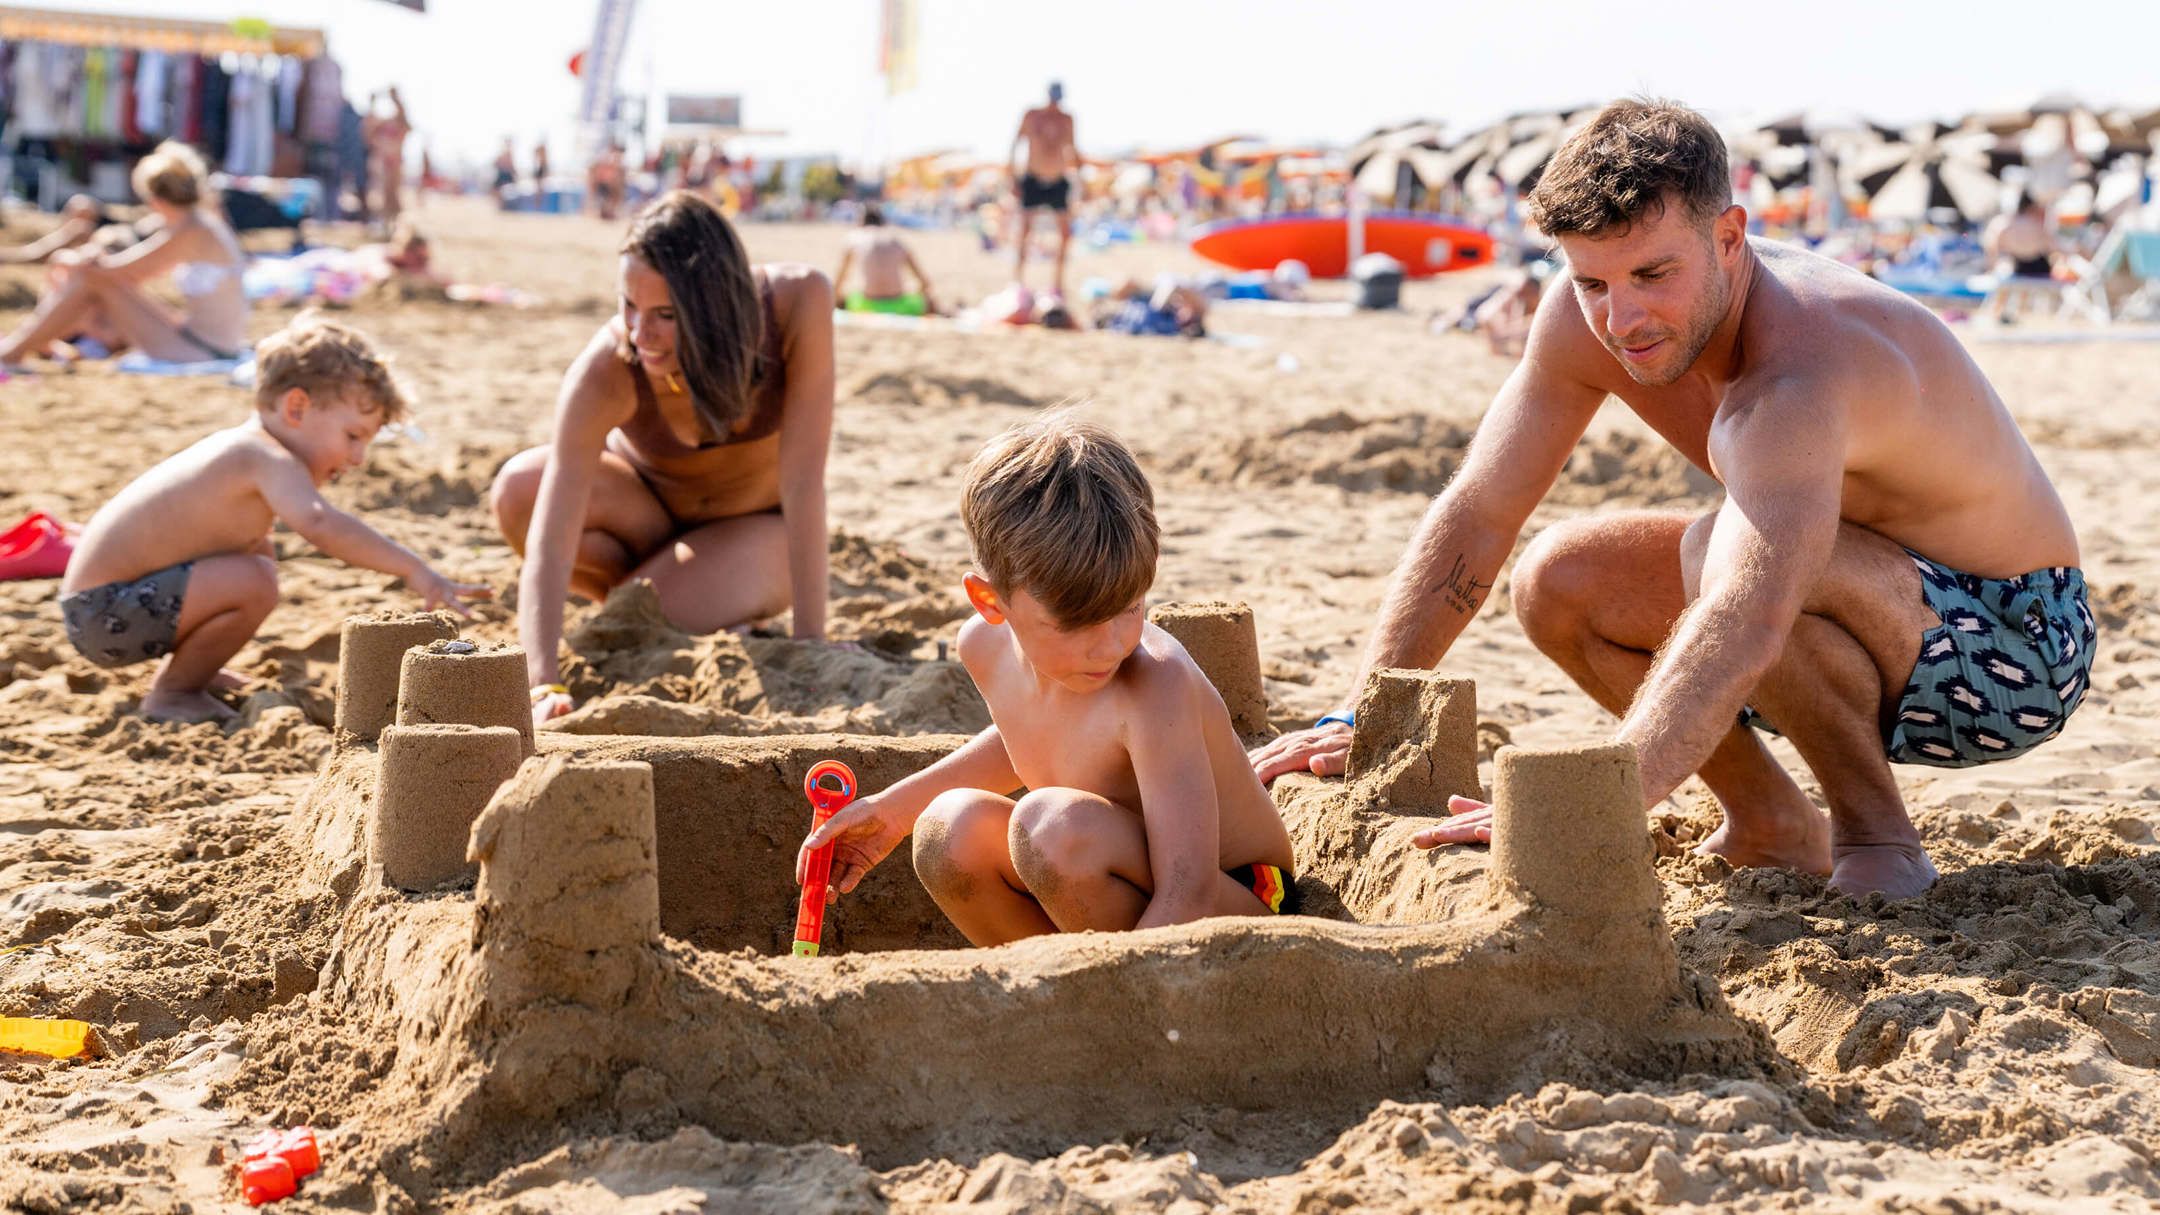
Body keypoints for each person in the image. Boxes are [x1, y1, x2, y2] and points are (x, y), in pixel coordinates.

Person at [1249, 99, 2092, 900]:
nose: (1623, 318)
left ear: (1730, 238)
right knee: (1559, 579)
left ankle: (1879, 840)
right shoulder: (1589, 319)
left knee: (1722, 553)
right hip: (1845, 597)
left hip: (2016, 645)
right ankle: (1770, 820)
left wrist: (1584, 816)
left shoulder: (1801, 374)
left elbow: (1746, 613)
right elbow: (1481, 507)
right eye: (1594, 283)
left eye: (1654, 273)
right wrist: (1366, 709)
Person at [795, 414, 1298, 944]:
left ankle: (1119, 1001)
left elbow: (1188, 890)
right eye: (1076, 624)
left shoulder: (1156, 684)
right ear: (990, 601)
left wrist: (1146, 994)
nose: (1111, 645)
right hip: (1119, 874)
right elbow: (1035, 736)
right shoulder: (982, 648)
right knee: (949, 829)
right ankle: (1051, 998)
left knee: (1054, 829)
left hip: (1240, 897)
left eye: (1129, 608)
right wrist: (893, 813)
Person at [489, 191, 838, 727]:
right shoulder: (607, 368)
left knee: (631, 626)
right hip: (647, 520)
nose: (639, 333)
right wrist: (541, 681)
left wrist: (813, 640)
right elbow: (551, 537)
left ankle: (689, 600)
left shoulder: (797, 302)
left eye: (664, 315)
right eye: (628, 305)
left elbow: (803, 479)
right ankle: (685, 601)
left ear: (715, 309)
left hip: (756, 532)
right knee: (519, 491)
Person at [57, 313, 486, 722]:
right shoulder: (261, 455)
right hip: (103, 613)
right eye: (352, 436)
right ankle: (174, 692)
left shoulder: (249, 456)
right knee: (255, 580)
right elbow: (321, 524)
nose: (358, 458)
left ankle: (192, 670)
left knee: (255, 562)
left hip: (107, 607)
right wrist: (414, 569)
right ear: (296, 408)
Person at [0, 142, 247, 366]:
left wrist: (68, 260)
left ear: (153, 198)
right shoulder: (197, 223)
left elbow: (120, 271)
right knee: (92, 279)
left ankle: (15, 350)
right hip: (203, 340)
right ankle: (23, 345)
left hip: (205, 349)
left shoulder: (192, 230)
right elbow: (124, 268)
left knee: (91, 280)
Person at [1010, 81, 1079, 299]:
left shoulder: (1066, 120)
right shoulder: (1032, 116)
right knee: (1025, 232)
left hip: (1058, 180)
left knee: (1065, 234)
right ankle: (1017, 282)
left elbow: (1072, 150)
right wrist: (1012, 177)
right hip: (1033, 179)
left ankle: (1057, 284)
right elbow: (1015, 144)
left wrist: (1082, 182)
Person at [833, 204, 937, 316]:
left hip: (865, 306)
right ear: (883, 221)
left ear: (861, 222)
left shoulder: (854, 238)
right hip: (900, 306)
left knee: (842, 299)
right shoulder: (897, 241)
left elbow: (839, 281)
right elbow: (925, 282)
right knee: (928, 302)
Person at [1982, 190, 2062, 324]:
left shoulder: (2002, 223)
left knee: (2005, 277)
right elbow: (2053, 248)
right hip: (2039, 269)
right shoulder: (2036, 224)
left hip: (2017, 268)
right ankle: (2016, 313)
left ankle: (1998, 313)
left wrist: (1991, 266)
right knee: (2012, 278)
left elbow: (1991, 246)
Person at [364, 88, 411, 232]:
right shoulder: (381, 124)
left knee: (393, 195)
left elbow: (404, 118)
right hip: (382, 163)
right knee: (381, 196)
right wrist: (372, 103)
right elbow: (368, 131)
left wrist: (395, 97)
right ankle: (385, 225)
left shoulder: (400, 121)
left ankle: (395, 226)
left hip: (395, 162)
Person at [491, 138, 518, 204]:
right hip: (502, 173)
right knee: (497, 189)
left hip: (506, 174)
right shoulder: (504, 152)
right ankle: (501, 203)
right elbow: (496, 163)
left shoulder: (509, 153)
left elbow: (511, 165)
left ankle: (503, 203)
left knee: (504, 190)